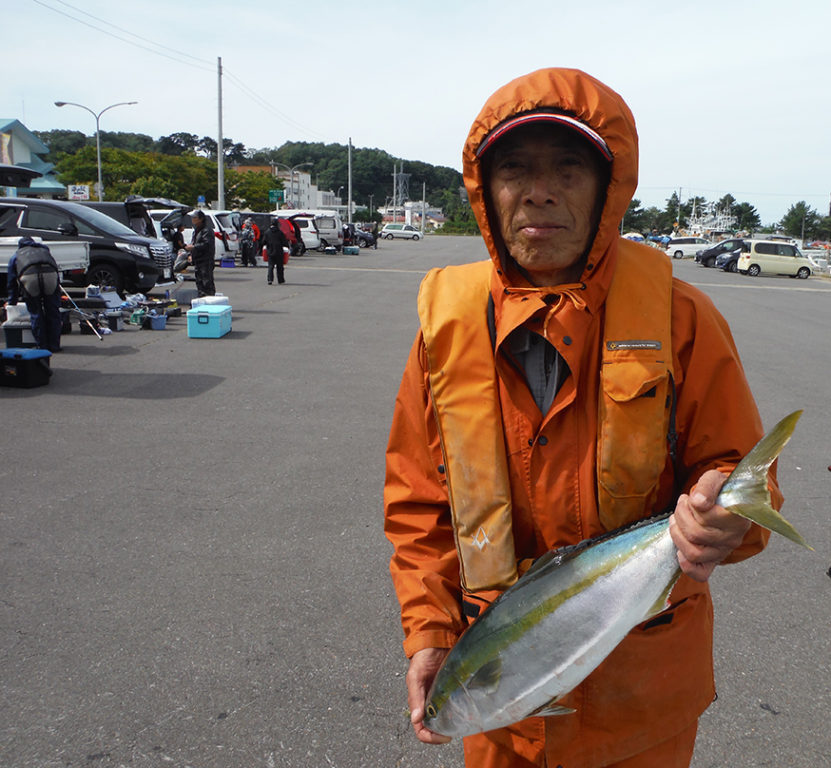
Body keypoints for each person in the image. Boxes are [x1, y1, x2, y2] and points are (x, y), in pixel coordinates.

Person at [384, 67, 782, 768]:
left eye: (568, 169)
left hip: (642, 703)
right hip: (501, 696)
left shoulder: (681, 317)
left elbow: (741, 475)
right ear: (486, 191)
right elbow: (419, 503)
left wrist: (728, 513)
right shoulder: (445, 329)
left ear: (608, 189)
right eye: (515, 169)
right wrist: (428, 633)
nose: (539, 190)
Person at [6, 237, 62, 352]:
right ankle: (54, 346)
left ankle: (42, 346)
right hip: (50, 275)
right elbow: (55, 268)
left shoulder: (16, 256)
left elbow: (11, 281)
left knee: (36, 313)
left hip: (29, 277)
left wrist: (12, 301)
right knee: (53, 312)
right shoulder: (44, 250)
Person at [184, 209, 216, 297]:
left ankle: (209, 299)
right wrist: (190, 254)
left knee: (207, 281)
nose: (192, 220)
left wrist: (194, 247)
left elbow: (207, 244)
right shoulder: (196, 231)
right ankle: (202, 298)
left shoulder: (207, 230)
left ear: (201, 219)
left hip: (206, 260)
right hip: (198, 260)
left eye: (195, 218)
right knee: (199, 281)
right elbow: (193, 243)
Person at [265, 218, 287, 285]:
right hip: (279, 251)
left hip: (270, 251)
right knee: (279, 267)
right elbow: (284, 242)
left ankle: (270, 280)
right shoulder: (280, 232)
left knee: (270, 266)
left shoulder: (267, 232)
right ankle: (280, 280)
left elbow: (263, 241)